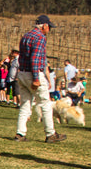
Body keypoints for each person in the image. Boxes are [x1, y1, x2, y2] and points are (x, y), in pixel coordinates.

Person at [14, 15, 66, 143]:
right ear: (44, 26)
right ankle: (50, 134)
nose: (49, 30)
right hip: (34, 73)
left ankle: (20, 133)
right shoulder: (40, 37)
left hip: (22, 73)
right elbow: (35, 58)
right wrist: (36, 78)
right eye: (49, 27)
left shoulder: (26, 36)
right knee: (45, 103)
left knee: (25, 104)